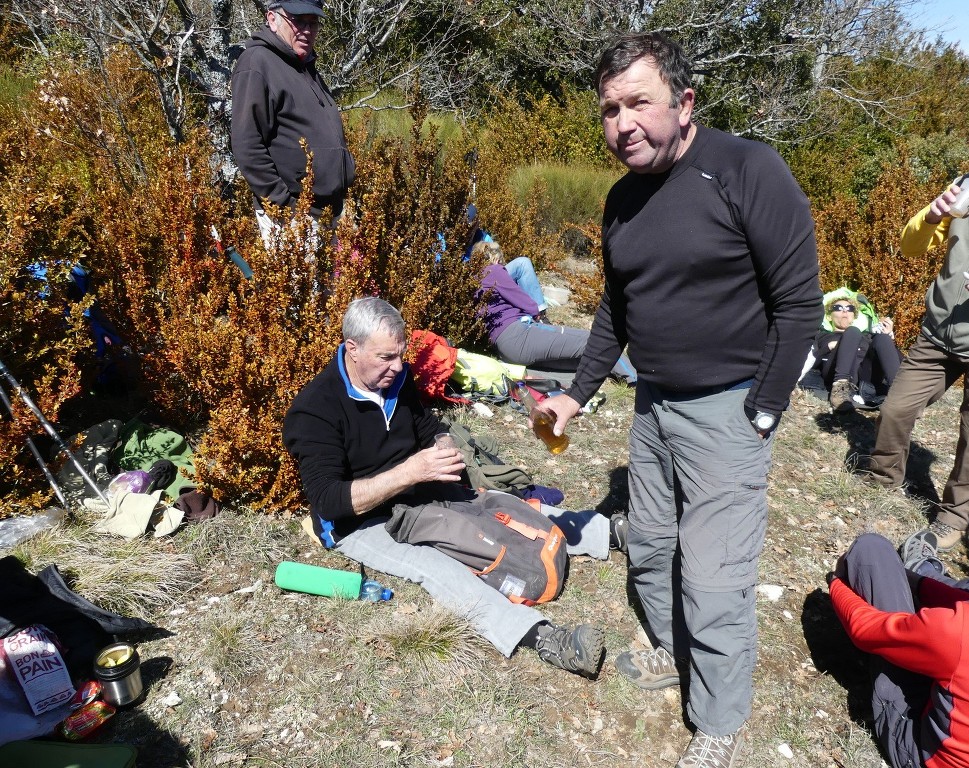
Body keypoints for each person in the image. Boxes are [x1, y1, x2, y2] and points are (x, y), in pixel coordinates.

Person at [540, 33, 822, 767]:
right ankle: (672, 649)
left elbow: (799, 305)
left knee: (715, 577)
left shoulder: (746, 169)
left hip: (729, 409)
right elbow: (615, 309)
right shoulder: (622, 199)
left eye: (639, 102)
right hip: (653, 407)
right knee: (653, 549)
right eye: (609, 109)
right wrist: (576, 396)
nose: (622, 123)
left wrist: (762, 412)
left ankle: (719, 720)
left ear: (685, 102)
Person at [282, 297, 617, 677]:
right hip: (360, 522)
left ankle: (608, 532)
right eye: (386, 357)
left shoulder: (396, 378)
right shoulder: (315, 411)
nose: (397, 366)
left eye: (401, 355)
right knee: (433, 566)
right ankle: (541, 637)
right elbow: (330, 502)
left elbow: (425, 425)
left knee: (493, 503)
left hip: (415, 488)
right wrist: (410, 472)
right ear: (352, 349)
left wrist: (442, 443)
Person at [861, 96, 969, 552]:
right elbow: (912, 247)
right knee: (895, 408)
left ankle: (954, 518)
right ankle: (883, 476)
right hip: (939, 330)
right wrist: (932, 215)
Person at [828, 478, 969, 768]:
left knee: (872, 550)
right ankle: (921, 570)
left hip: (923, 755)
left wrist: (837, 585)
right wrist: (918, 584)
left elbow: (865, 629)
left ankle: (919, 567)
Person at [230, 0, 355, 246]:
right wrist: (286, 207)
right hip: (293, 217)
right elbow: (247, 146)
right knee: (301, 286)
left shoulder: (305, 66)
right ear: (272, 19)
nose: (306, 30)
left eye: (313, 22)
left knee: (328, 285)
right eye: (298, 21)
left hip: (326, 212)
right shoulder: (257, 63)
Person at [474, 241, 637, 383]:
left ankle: (615, 371)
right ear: (493, 257)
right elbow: (527, 304)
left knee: (577, 360)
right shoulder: (493, 271)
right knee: (595, 340)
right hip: (519, 334)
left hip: (507, 350)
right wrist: (537, 312)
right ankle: (634, 378)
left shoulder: (474, 281)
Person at [814, 296, 901, 412]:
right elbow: (811, 363)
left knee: (882, 338)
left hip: (864, 376)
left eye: (850, 308)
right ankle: (840, 390)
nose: (845, 311)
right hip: (835, 370)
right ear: (829, 316)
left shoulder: (867, 336)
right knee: (853, 331)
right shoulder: (823, 336)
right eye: (838, 308)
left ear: (853, 316)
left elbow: (898, 359)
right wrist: (828, 347)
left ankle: (899, 395)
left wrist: (889, 337)